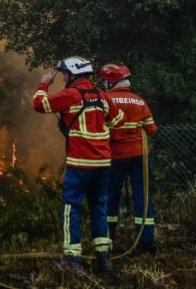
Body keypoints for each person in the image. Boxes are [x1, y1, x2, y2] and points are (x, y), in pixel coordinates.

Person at [33, 56, 125, 272]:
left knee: (71, 207)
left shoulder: (70, 95)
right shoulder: (102, 96)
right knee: (99, 206)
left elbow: (39, 104)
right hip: (103, 163)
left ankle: (72, 258)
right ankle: (104, 257)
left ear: (73, 74)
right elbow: (118, 120)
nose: (64, 78)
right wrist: (99, 126)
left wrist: (44, 83)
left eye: (65, 74)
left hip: (80, 163)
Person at [98, 62, 158, 255]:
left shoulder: (105, 100)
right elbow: (151, 129)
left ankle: (108, 240)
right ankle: (146, 242)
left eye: (105, 81)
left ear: (111, 82)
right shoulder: (140, 101)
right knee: (143, 198)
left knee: (110, 197)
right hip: (140, 156)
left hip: (115, 157)